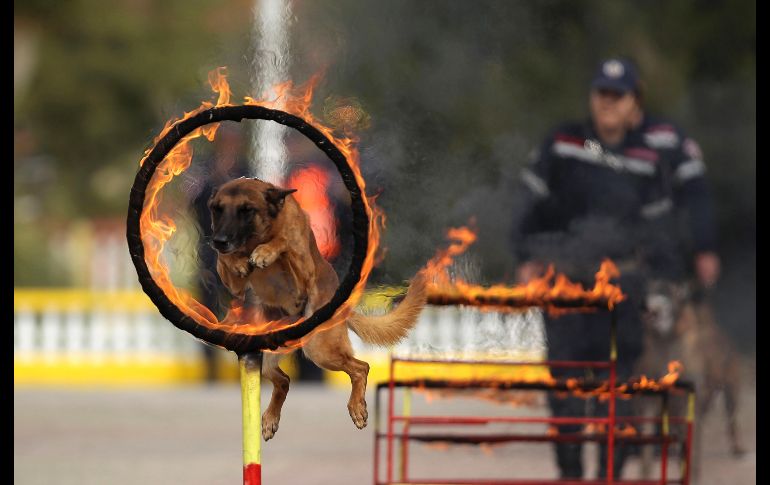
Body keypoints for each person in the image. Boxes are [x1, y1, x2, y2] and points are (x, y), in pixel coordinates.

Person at [508, 57, 719, 479]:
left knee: (619, 394)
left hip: (625, 291)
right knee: (565, 392)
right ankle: (570, 474)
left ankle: (610, 475)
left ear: (633, 103)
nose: (608, 102)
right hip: (564, 286)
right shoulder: (563, 141)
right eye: (601, 93)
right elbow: (526, 204)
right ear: (592, 97)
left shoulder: (648, 158)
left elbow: (661, 231)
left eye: (617, 95)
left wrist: (668, 283)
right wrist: (524, 257)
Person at [188, 122, 250, 383]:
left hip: (238, 254)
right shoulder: (204, 170)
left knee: (244, 312)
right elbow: (193, 204)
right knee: (207, 313)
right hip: (210, 251)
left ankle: (245, 366)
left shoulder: (246, 172)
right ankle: (210, 370)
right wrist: (215, 177)